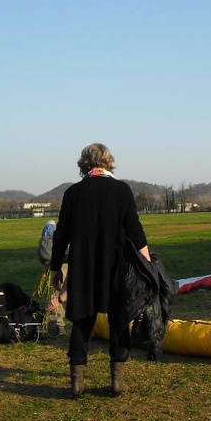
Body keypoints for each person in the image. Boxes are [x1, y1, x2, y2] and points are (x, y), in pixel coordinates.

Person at [50, 142, 152, 399]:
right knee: (118, 320)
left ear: (84, 164)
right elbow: (134, 229)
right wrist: (147, 262)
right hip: (116, 266)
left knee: (82, 321)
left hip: (83, 267)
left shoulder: (73, 193)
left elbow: (61, 234)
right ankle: (116, 382)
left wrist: (55, 268)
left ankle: (76, 383)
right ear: (108, 162)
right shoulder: (121, 190)